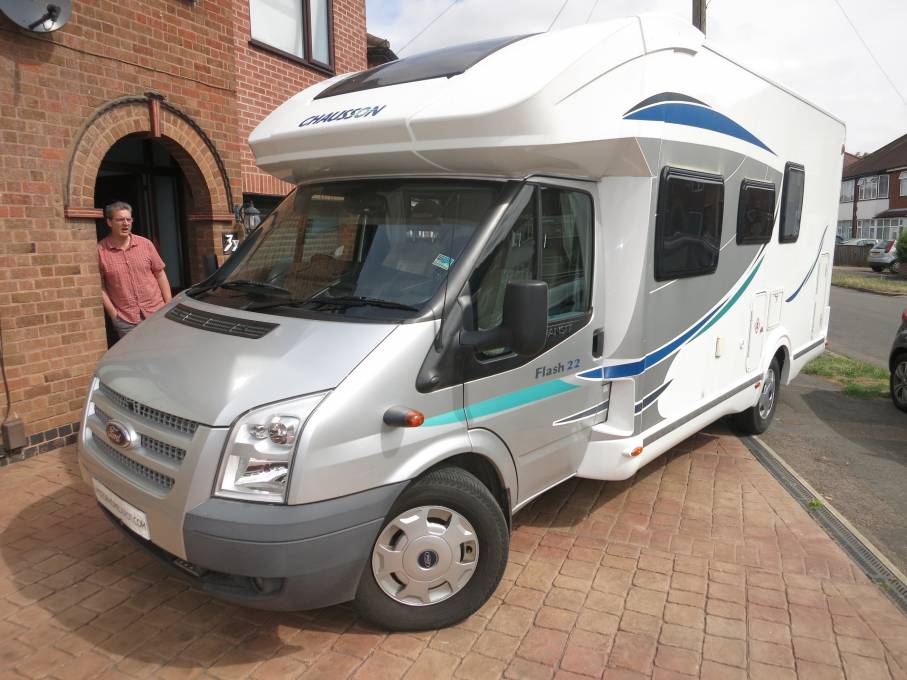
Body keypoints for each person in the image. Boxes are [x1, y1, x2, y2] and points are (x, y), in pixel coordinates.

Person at [98, 201, 172, 338]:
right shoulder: (100, 251)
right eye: (120, 220)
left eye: (128, 219)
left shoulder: (146, 244)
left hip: (157, 313)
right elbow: (100, 286)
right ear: (109, 222)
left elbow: (160, 274)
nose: (126, 223)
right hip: (126, 320)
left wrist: (168, 305)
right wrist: (114, 314)